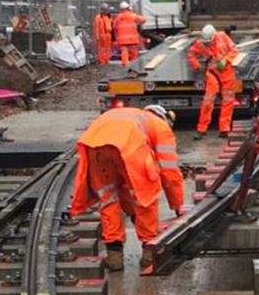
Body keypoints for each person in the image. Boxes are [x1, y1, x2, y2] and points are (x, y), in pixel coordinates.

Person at [70, 103, 185, 271]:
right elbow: (169, 171)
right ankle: (149, 253)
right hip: (129, 148)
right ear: (165, 119)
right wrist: (177, 205)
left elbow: (125, 187)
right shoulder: (160, 126)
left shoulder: (129, 115)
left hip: (95, 148)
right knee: (144, 197)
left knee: (108, 199)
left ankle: (114, 257)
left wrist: (131, 213)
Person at [187, 24, 240, 138]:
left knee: (227, 101)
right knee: (207, 101)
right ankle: (201, 129)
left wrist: (226, 60)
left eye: (209, 42)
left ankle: (224, 129)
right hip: (213, 74)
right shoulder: (200, 43)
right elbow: (190, 54)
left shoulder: (222, 37)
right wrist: (197, 66)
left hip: (227, 73)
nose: (207, 45)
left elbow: (234, 50)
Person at [113, 1, 147, 66]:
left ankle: (125, 65)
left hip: (122, 40)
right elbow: (143, 19)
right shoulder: (132, 15)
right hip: (132, 39)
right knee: (133, 51)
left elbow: (114, 27)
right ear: (128, 8)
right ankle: (134, 65)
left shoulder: (118, 18)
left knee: (124, 52)